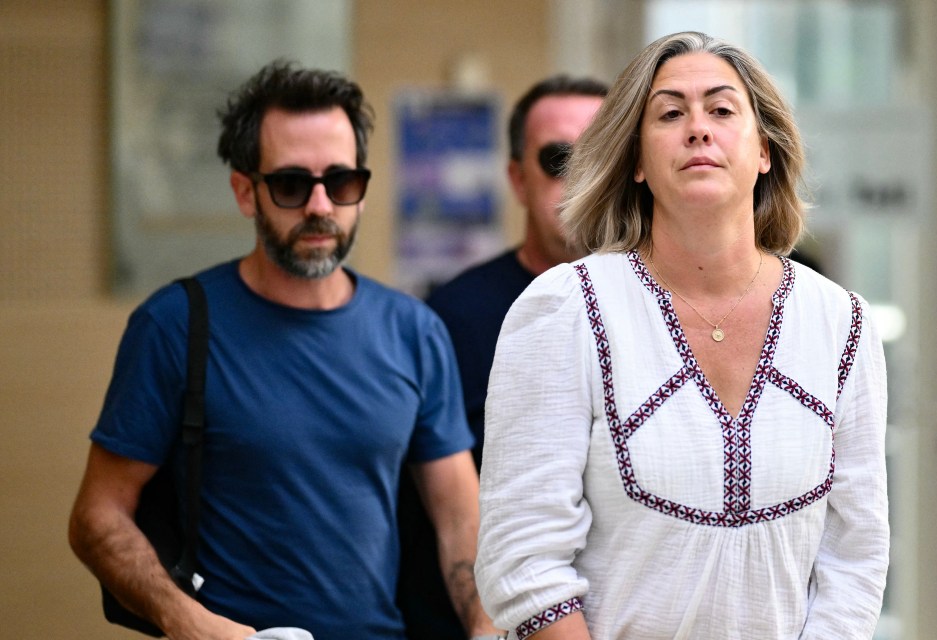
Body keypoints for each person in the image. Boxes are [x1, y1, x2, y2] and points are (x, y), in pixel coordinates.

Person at [476, 31, 889, 640]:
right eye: (670, 113)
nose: (699, 128)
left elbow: (855, 558)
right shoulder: (567, 309)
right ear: (638, 161)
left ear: (765, 151)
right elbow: (524, 557)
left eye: (722, 110)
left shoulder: (841, 323)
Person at [68, 60, 499, 640]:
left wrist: (484, 624)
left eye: (341, 182)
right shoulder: (175, 325)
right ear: (246, 191)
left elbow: (457, 515)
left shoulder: (412, 330)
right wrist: (190, 623)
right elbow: (98, 516)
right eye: (293, 184)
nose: (321, 206)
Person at [396, 75, 607, 639]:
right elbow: (442, 501)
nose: (581, 176)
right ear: (517, 177)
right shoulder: (451, 317)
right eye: (559, 157)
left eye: (602, 153)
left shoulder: (666, 308)